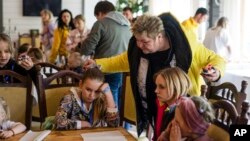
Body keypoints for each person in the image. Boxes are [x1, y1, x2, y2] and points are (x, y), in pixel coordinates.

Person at [83, 13, 225, 136]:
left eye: (145, 41)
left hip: (185, 108)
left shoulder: (187, 44)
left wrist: (216, 71)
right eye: (137, 40)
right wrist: (98, 64)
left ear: (159, 36)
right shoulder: (139, 47)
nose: (139, 45)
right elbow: (124, 61)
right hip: (155, 104)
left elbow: (216, 59)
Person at [77, 1, 132, 108]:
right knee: (123, 102)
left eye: (97, 16)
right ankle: (123, 125)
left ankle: (111, 124)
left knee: (110, 100)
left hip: (107, 69)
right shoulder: (127, 24)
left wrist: (81, 44)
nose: (97, 19)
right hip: (126, 70)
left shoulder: (101, 23)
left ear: (100, 13)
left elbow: (86, 49)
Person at [55, 67, 119, 130]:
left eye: (97, 91)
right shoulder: (69, 98)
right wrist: (80, 124)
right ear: (81, 84)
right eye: (88, 89)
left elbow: (114, 125)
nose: (92, 95)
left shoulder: (101, 99)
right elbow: (58, 122)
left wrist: (109, 95)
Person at [153, 67, 191, 140]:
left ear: (176, 87)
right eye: (156, 86)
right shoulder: (166, 105)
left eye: (162, 87)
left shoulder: (182, 113)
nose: (156, 91)